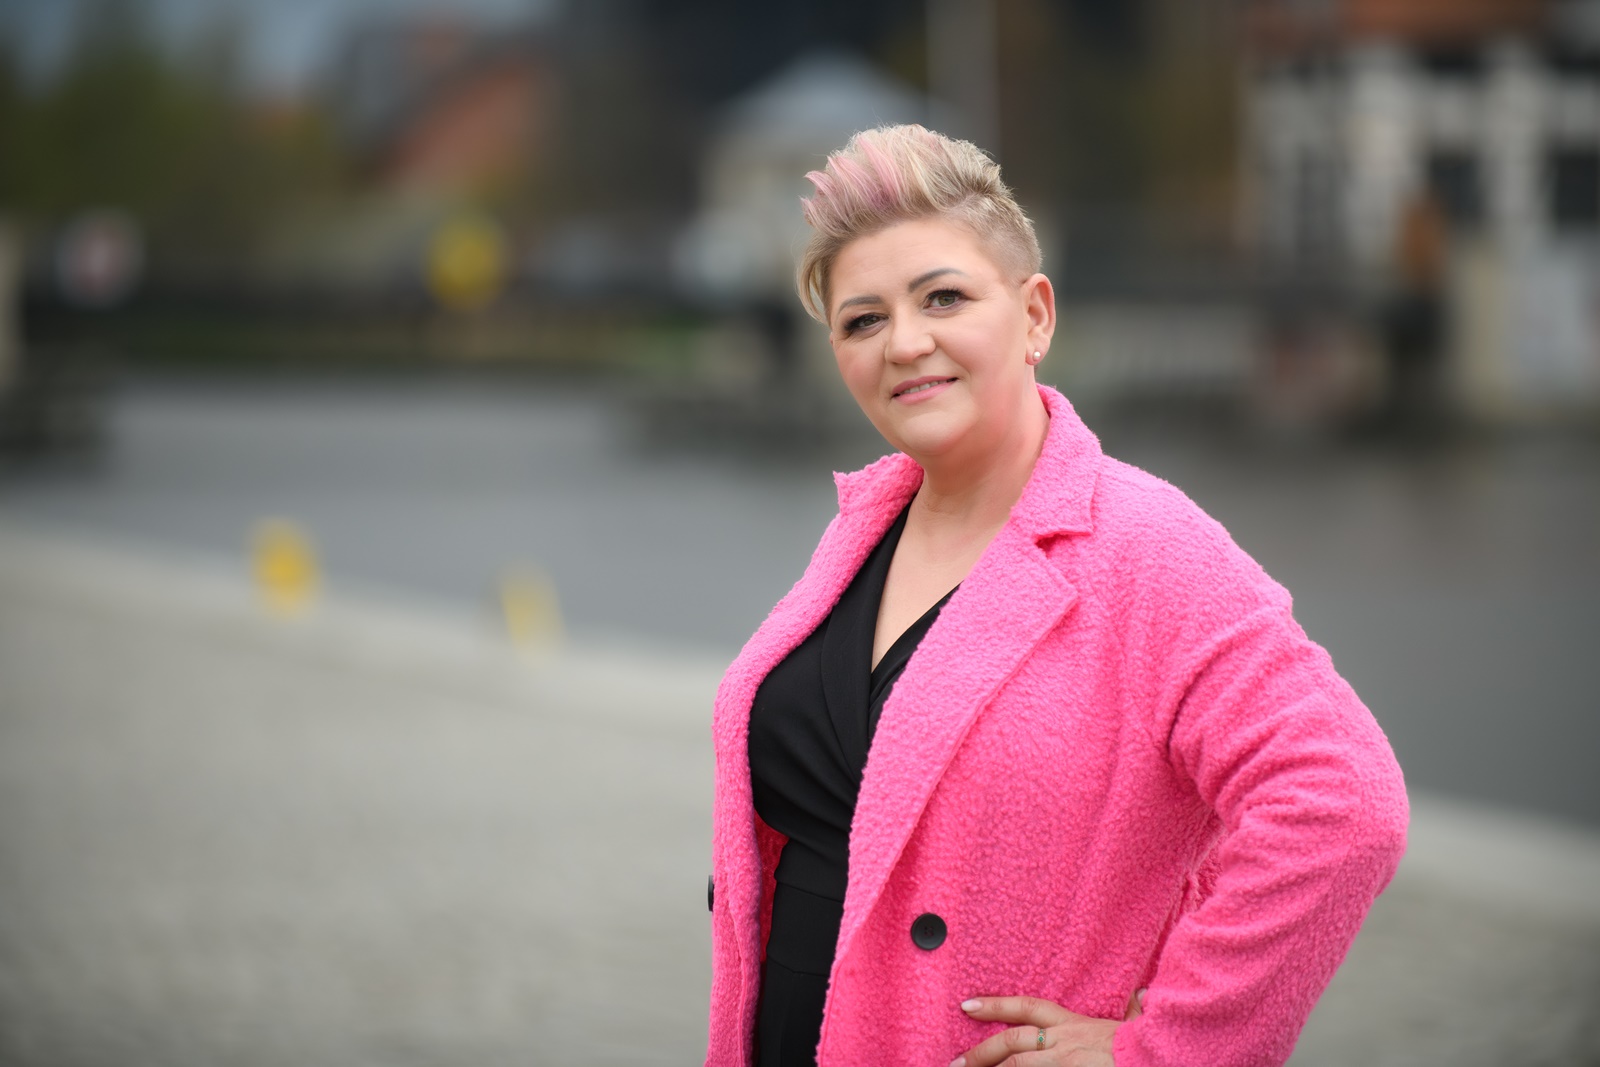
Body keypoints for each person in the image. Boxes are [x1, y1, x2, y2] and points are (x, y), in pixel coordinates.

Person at [704, 124, 1408, 1067]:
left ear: (1034, 315)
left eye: (943, 297)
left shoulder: (1144, 544)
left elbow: (1343, 801)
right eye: (862, 320)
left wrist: (1164, 1046)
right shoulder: (863, 530)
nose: (905, 342)